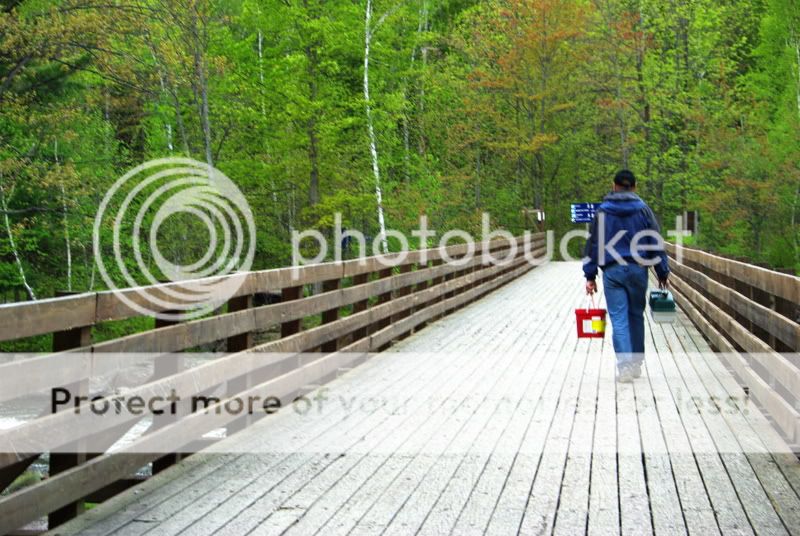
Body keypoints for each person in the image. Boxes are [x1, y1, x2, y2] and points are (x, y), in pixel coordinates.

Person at [583, 170, 670, 383]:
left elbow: (593, 244)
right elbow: (655, 241)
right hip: (638, 269)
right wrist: (662, 271)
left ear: (614, 186)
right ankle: (637, 363)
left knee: (619, 319)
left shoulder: (602, 212)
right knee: (635, 316)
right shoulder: (643, 210)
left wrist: (590, 275)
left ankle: (625, 367)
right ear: (635, 186)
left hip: (612, 272)